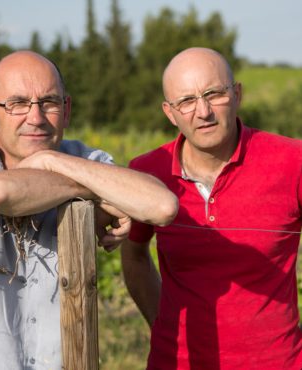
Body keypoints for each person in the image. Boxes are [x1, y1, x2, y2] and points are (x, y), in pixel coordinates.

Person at [0, 50, 178, 370]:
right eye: (17, 103)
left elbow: (162, 205)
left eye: (48, 102)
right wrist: (85, 189)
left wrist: (52, 161)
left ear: (67, 109)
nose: (35, 117)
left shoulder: (77, 157)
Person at [121, 47, 302, 369]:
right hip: (174, 362)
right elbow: (134, 253)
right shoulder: (147, 171)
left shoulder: (292, 160)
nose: (202, 111)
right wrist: (162, 325)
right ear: (169, 112)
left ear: (237, 94)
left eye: (214, 94)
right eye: (186, 101)